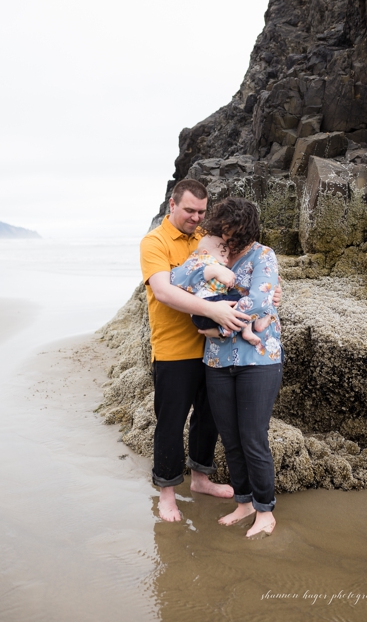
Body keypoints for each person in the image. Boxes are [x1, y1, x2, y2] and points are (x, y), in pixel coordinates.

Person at [167, 195, 284, 537]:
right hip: (217, 361)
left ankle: (265, 511)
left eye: (234, 231)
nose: (228, 237)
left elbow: (260, 300)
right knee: (230, 438)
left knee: (253, 437)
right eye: (224, 229)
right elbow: (177, 277)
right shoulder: (211, 251)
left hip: (258, 358)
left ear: (247, 230)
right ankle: (244, 502)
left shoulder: (263, 255)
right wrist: (207, 270)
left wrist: (216, 326)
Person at [139, 177, 246, 524]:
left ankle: (200, 478)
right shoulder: (154, 242)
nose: (196, 218)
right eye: (189, 210)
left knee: (209, 415)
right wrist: (213, 311)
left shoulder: (205, 237)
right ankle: (167, 494)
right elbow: (164, 291)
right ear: (172, 204)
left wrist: (268, 290)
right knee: (170, 422)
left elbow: (234, 273)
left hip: (213, 347)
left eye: (201, 211)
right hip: (173, 350)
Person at [183, 229, 263, 350]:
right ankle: (248, 328)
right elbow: (220, 283)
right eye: (222, 255)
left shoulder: (193, 262)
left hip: (197, 317)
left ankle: (225, 330)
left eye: (226, 256)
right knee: (241, 300)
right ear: (205, 252)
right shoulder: (209, 261)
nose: (226, 260)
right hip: (209, 304)